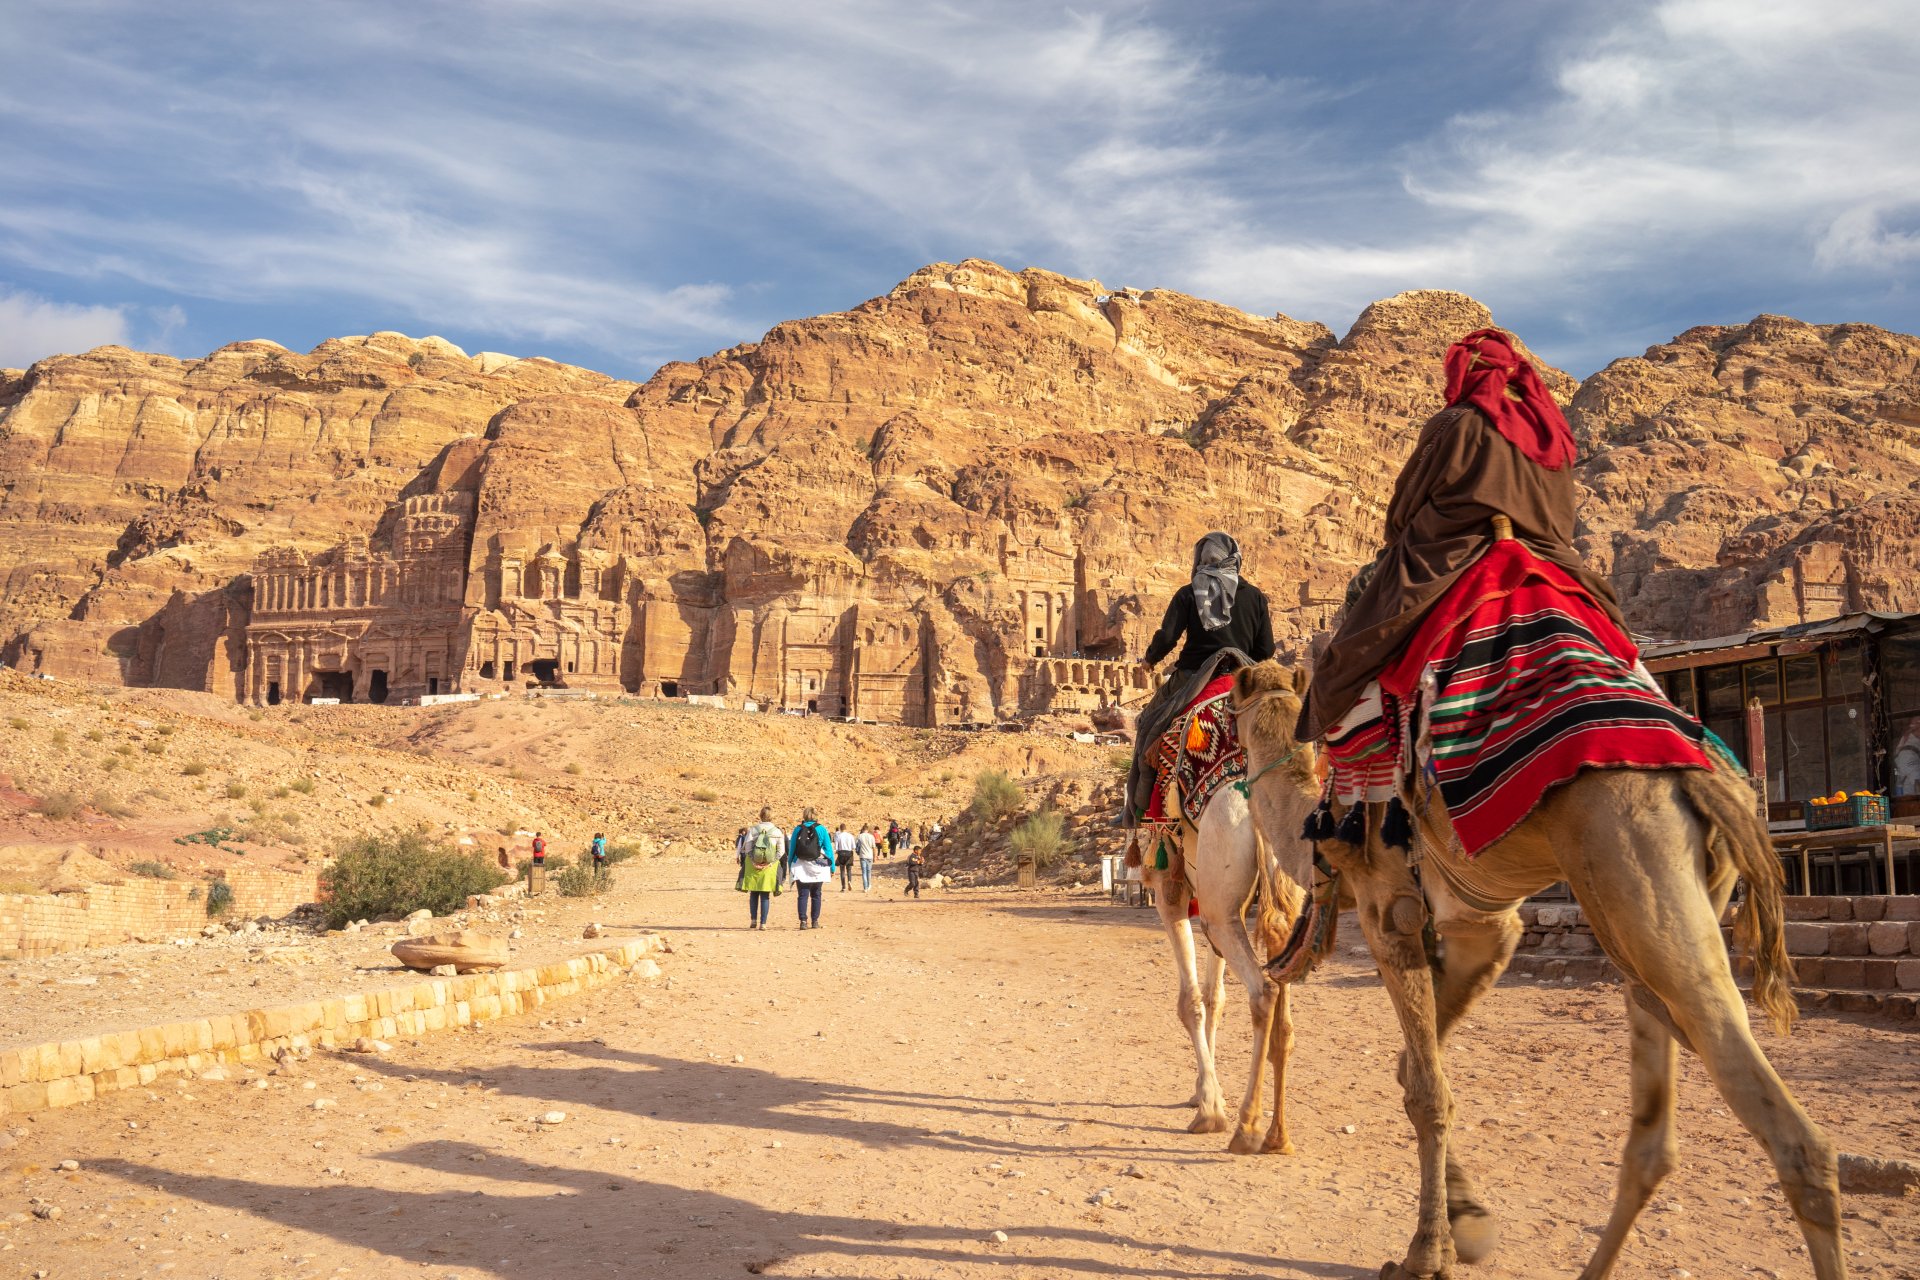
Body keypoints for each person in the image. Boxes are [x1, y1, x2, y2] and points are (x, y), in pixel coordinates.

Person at [1297, 329, 1626, 744]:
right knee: (1606, 619)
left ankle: (1355, 747)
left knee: (1355, 649)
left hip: (1457, 557)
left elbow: (1404, 509)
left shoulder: (1454, 423)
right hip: (1550, 558)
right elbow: (1562, 520)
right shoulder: (1554, 438)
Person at [1118, 532, 1275, 825]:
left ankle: (1138, 809)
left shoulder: (1189, 593)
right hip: (1243, 678)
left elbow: (1167, 637)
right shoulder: (1254, 597)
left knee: (1148, 724)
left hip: (1193, 678)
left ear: (1201, 558)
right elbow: (1266, 651)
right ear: (1234, 558)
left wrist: (1150, 659)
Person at [788, 807, 834, 930]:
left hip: (800, 865)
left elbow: (792, 850)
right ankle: (815, 921)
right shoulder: (822, 829)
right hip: (818, 866)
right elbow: (829, 850)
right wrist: (832, 867)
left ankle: (803, 921)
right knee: (816, 894)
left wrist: (790, 867)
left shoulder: (798, 829)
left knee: (802, 895)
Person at [738, 808, 784, 930]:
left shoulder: (753, 830)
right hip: (769, 867)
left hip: (753, 865)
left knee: (753, 893)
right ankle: (763, 923)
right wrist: (770, 863)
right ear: (772, 816)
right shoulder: (777, 831)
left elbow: (747, 848)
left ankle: (753, 920)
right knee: (765, 895)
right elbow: (781, 851)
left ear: (760, 816)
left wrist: (753, 861)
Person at [834, 822, 856, 891]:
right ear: (846, 829)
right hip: (849, 853)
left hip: (841, 853)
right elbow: (854, 846)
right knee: (849, 870)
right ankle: (849, 881)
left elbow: (836, 847)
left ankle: (843, 887)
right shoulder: (850, 836)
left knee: (842, 870)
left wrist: (837, 851)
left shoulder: (838, 836)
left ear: (840, 829)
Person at [856, 824, 878, 891]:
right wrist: (875, 857)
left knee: (864, 872)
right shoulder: (871, 836)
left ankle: (865, 887)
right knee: (869, 871)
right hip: (870, 856)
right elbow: (874, 848)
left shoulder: (859, 836)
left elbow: (857, 847)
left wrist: (858, 852)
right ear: (867, 830)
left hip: (862, 856)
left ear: (862, 830)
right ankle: (869, 885)